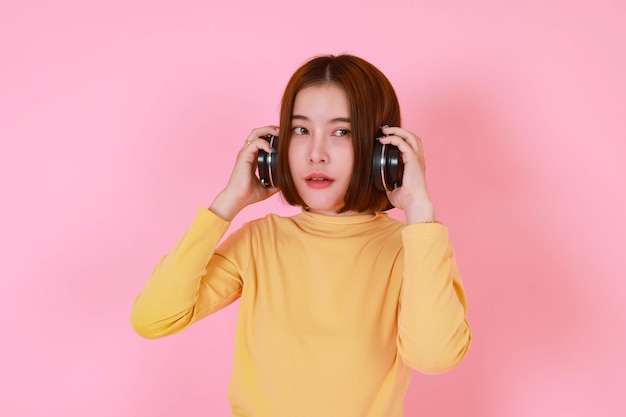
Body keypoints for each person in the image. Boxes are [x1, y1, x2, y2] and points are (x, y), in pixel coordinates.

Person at [130, 54, 471, 417]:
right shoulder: (258, 243)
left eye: (342, 132)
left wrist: (420, 213)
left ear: (382, 152)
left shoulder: (414, 250)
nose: (315, 154)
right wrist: (225, 205)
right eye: (301, 131)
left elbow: (435, 357)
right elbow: (153, 318)